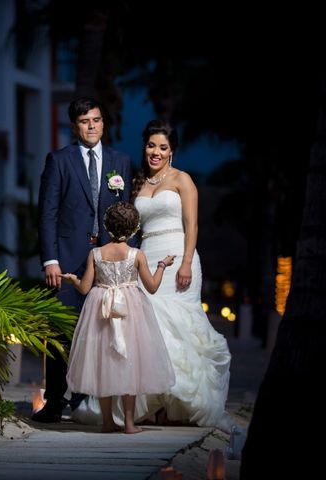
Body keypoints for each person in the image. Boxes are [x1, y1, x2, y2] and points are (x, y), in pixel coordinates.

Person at [72, 119, 233, 430]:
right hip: (147, 256)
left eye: (162, 147)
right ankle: (155, 403)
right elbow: (128, 224)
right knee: (149, 329)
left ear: (172, 150)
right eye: (150, 145)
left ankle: (178, 404)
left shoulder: (183, 180)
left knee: (179, 325)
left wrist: (186, 262)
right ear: (144, 146)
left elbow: (193, 225)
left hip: (177, 257)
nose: (155, 152)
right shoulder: (136, 183)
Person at [34, 96, 132, 423]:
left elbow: (126, 213)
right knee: (62, 331)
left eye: (97, 120)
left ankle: (84, 399)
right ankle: (53, 400)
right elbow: (47, 213)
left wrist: (124, 259)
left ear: (104, 123)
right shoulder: (59, 160)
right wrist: (50, 259)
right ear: (75, 126)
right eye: (84, 121)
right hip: (66, 259)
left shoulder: (121, 161)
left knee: (100, 332)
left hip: (106, 261)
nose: (92, 126)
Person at [61, 202, 176, 433]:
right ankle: (130, 424)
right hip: (131, 310)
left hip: (101, 309)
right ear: (134, 229)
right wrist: (162, 265)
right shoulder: (137, 254)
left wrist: (73, 279)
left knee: (104, 362)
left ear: (106, 226)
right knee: (129, 362)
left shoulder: (95, 253)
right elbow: (152, 287)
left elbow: (84, 288)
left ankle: (107, 422)